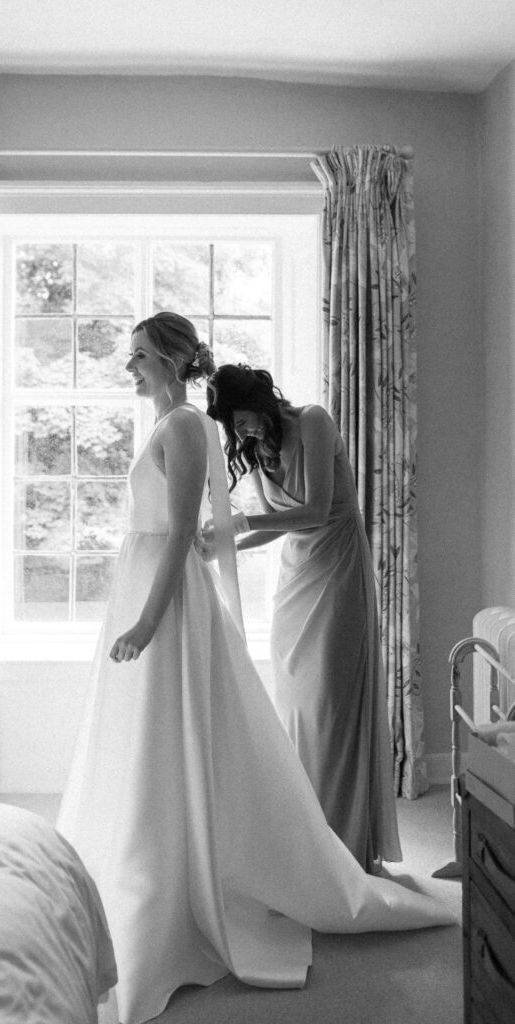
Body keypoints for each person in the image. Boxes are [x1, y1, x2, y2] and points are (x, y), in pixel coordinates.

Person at [56, 314, 453, 1024]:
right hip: (251, 572)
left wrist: (163, 603)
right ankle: (188, 856)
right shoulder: (201, 431)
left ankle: (332, 842)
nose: (130, 368)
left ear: (177, 360)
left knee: (317, 703)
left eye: (141, 356)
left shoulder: (255, 424)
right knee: (266, 707)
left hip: (310, 567)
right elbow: (217, 518)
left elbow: (279, 514)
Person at [202, 363, 402, 872]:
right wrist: (227, 543)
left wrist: (242, 518)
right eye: (232, 426)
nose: (239, 431)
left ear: (260, 400)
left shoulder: (312, 420)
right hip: (296, 577)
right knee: (297, 707)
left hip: (337, 568)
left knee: (331, 704)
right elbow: (278, 529)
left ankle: (346, 845)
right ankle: (307, 837)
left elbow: (313, 512)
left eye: (240, 418)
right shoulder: (258, 448)